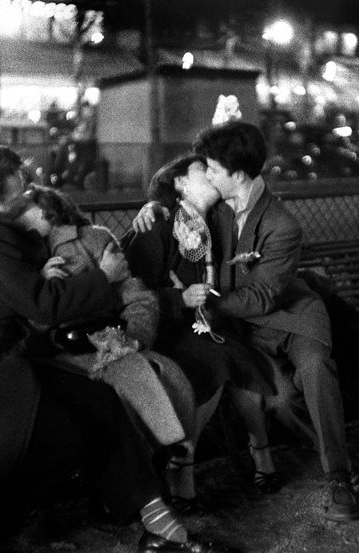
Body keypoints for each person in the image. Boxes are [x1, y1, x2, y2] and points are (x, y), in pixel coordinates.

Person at [0, 145, 238, 553]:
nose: (31, 195)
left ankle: (161, 527)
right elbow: (43, 304)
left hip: (17, 356)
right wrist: (102, 276)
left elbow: (41, 286)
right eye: (20, 193)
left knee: (100, 403)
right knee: (75, 423)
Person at [134, 122, 359, 522]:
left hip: (291, 319)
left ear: (236, 174)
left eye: (213, 168)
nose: (207, 173)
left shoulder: (281, 225)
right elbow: (178, 212)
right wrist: (154, 206)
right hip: (244, 330)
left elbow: (261, 296)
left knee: (315, 370)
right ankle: (258, 455)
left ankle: (339, 477)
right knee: (281, 399)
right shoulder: (216, 208)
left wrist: (198, 306)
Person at [122, 153, 280, 513]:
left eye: (213, 169)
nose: (211, 175)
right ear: (179, 182)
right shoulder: (157, 225)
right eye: (201, 170)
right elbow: (131, 294)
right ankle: (186, 465)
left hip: (214, 324)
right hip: (168, 330)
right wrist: (178, 298)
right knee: (220, 358)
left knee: (232, 356)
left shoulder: (221, 220)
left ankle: (259, 452)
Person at [17, 183, 196, 449]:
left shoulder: (92, 240)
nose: (15, 216)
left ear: (45, 211)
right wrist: (43, 285)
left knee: (165, 374)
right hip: (56, 351)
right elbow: (30, 315)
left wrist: (134, 337)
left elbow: (138, 298)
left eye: (23, 208)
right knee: (116, 390)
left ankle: (170, 458)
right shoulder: (14, 254)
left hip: (107, 338)